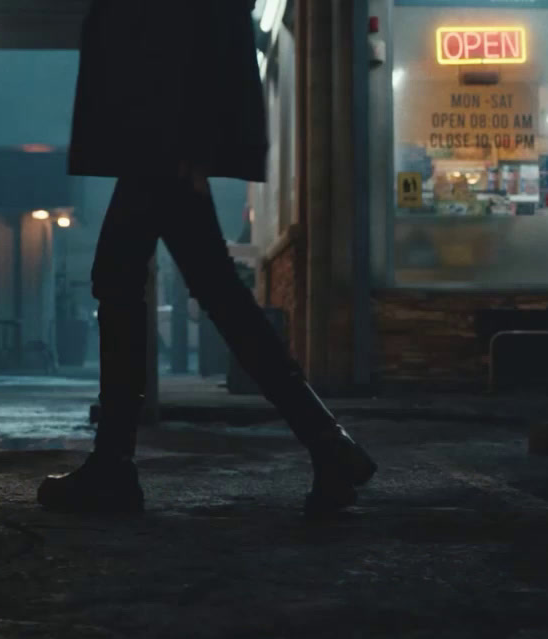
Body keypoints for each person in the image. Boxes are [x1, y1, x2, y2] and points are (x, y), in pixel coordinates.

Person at [38, 0, 377, 518]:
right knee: (209, 291)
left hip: (162, 143)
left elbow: (188, 33)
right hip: (164, 141)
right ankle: (329, 443)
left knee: (129, 278)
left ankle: (114, 468)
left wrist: (191, 145)